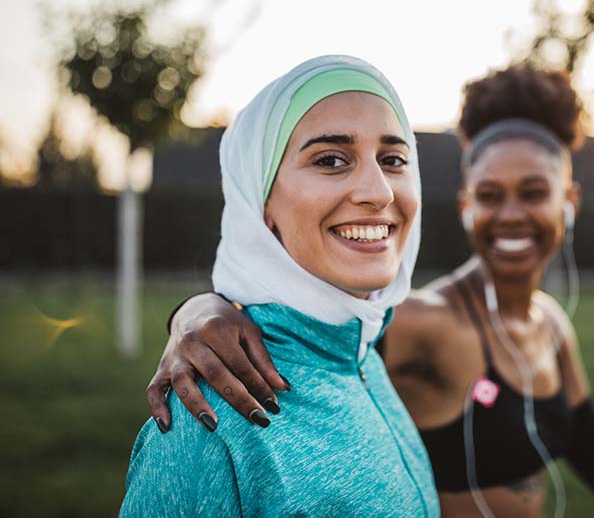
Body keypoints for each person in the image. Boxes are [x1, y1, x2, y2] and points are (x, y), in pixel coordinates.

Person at [147, 64, 594, 517]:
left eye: (534, 193)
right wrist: (198, 311)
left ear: (569, 200)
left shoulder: (551, 326)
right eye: (490, 194)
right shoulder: (424, 322)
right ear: (464, 205)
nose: (512, 215)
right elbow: (310, 336)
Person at [121, 55, 439, 517]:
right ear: (259, 203)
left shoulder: (362, 358)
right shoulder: (206, 422)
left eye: (393, 159)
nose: (380, 192)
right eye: (331, 160)